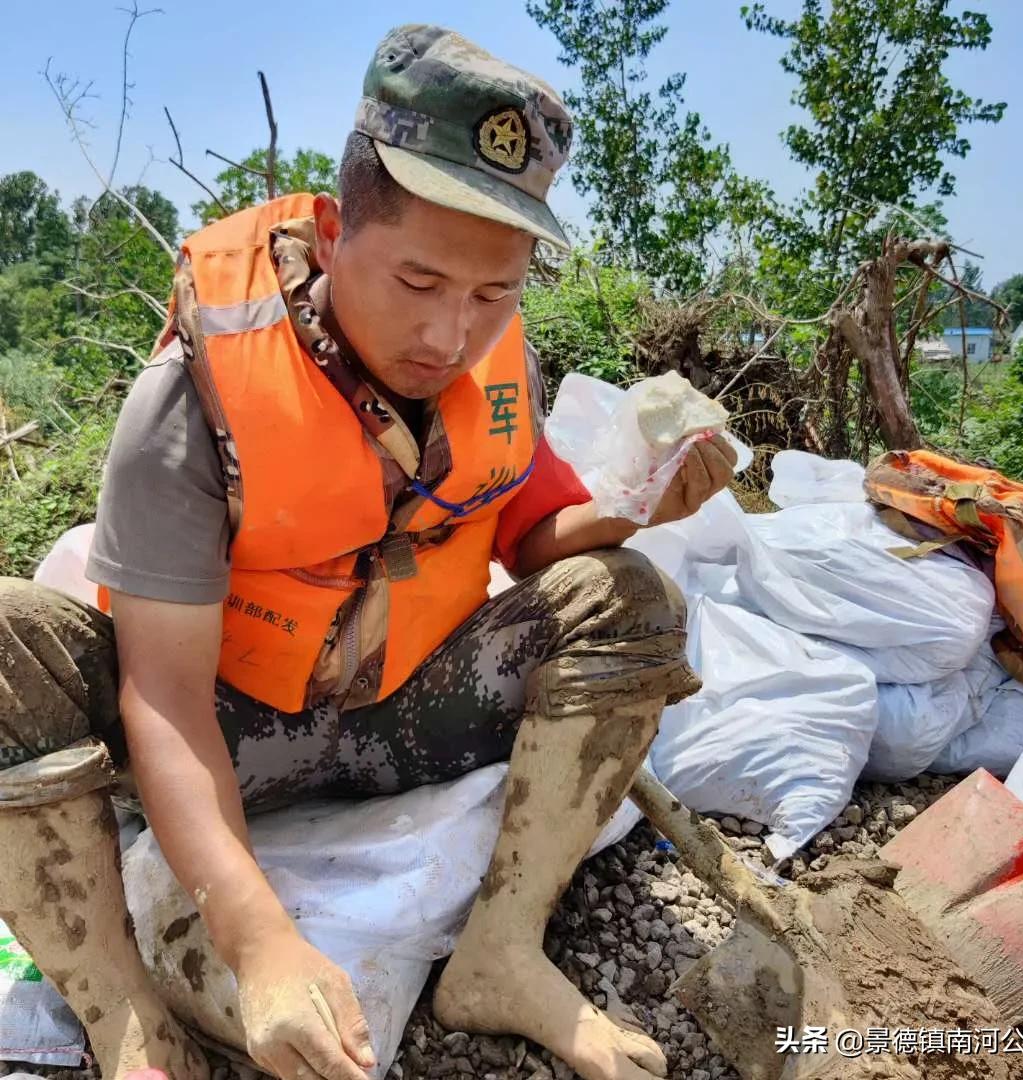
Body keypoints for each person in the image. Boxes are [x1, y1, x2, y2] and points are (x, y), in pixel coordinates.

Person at [0, 24, 735, 1080]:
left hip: (403, 716)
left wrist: (637, 508)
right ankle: (129, 1021)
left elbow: (537, 543)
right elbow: (161, 695)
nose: (450, 335)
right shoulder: (195, 395)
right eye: (419, 281)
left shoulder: (493, 367)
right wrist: (261, 945)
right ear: (339, 231)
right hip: (233, 728)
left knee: (627, 595)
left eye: (494, 295)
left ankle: (501, 952)